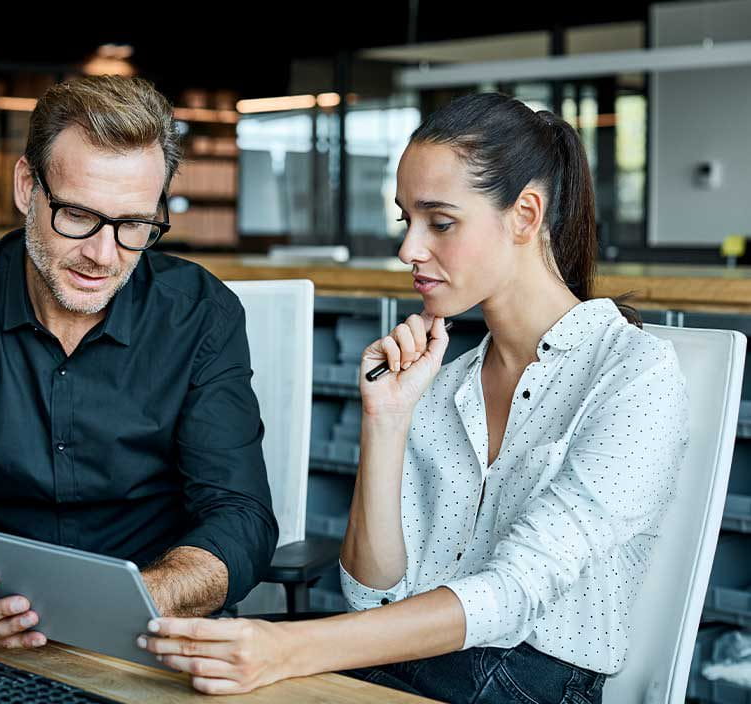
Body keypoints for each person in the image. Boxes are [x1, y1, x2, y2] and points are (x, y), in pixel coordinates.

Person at [137, 92, 689, 703]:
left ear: (525, 215)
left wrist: (290, 650)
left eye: (441, 222)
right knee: (174, 668)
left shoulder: (634, 374)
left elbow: (515, 593)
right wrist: (387, 420)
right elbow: (371, 596)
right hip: (416, 662)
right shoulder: (444, 382)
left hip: (529, 683)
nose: (408, 250)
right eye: (407, 220)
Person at [0, 75, 278, 651]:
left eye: (133, 225)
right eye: (76, 215)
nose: (102, 254)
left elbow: (239, 516)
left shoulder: (202, 314)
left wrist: (137, 599)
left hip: (152, 626)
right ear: (26, 187)